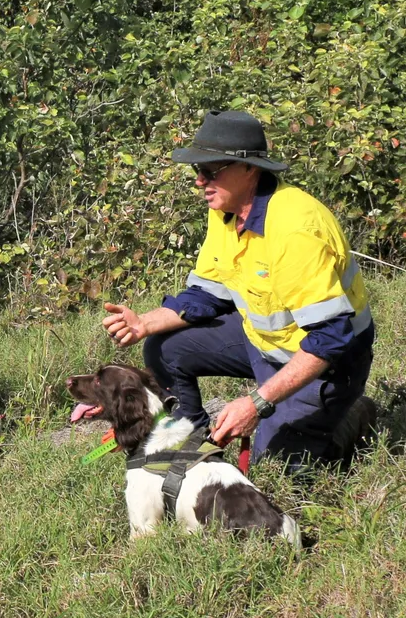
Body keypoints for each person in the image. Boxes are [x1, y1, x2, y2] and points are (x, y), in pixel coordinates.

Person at [99, 109, 375, 468]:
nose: (200, 181)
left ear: (250, 169)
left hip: (325, 365)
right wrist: (145, 324)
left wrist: (257, 404)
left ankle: (350, 415)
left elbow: (330, 341)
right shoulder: (226, 208)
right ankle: (197, 447)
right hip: (264, 345)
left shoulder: (295, 228)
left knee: (275, 471)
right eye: (196, 171)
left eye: (210, 170)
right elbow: (209, 294)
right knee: (165, 347)